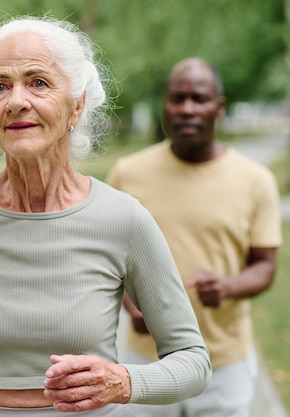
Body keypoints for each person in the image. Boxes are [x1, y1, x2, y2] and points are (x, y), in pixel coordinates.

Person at [0, 16, 211, 417]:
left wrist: (124, 382)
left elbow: (193, 360)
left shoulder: (123, 219)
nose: (16, 100)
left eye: (38, 82)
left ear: (77, 104)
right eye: (0, 86)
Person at [107, 57, 282, 417]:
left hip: (224, 361)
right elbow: (107, 258)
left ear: (220, 107)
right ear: (165, 105)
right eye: (177, 98)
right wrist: (130, 303)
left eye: (199, 99)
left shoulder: (255, 180)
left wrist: (228, 287)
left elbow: (265, 266)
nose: (187, 108)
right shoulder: (127, 174)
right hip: (147, 361)